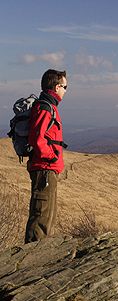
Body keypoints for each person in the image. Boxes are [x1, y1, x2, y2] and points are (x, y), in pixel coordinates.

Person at [25, 69, 68, 243]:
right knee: (41, 216)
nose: (65, 90)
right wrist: (51, 156)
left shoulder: (49, 106)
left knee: (47, 216)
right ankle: (31, 261)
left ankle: (38, 256)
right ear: (57, 86)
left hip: (48, 169)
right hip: (44, 169)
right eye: (65, 86)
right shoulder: (45, 108)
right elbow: (37, 137)